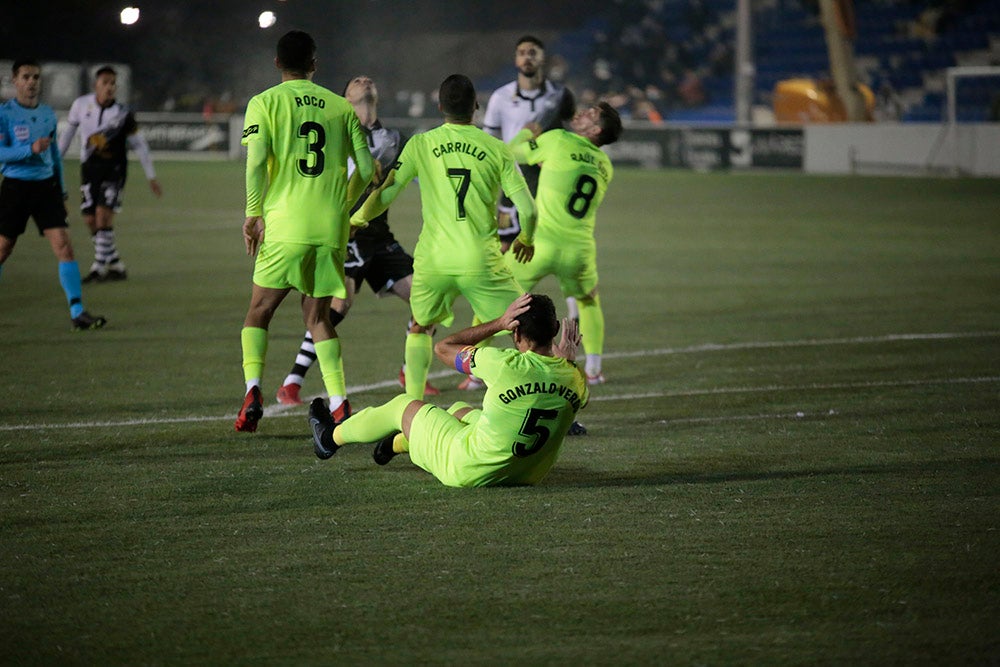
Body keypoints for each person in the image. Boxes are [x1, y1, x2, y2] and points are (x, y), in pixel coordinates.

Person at [349, 74, 536, 402]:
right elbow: (529, 210)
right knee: (523, 323)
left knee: (420, 327)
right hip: (480, 260)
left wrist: (358, 218)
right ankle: (546, 399)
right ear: (476, 106)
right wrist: (526, 238)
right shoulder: (497, 150)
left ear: (439, 107)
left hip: (434, 261)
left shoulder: (421, 144)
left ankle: (413, 410)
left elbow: (386, 190)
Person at [234, 30, 374, 433]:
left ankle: (253, 390)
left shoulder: (263, 103)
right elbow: (367, 171)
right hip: (329, 231)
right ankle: (340, 403)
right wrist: (342, 206)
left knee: (259, 312)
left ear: (277, 63)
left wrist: (253, 213)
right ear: (315, 64)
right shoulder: (339, 107)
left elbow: (256, 162)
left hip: (284, 226)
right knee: (318, 318)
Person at [309, 293, 589, 488]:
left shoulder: (503, 363)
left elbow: (444, 348)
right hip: (526, 475)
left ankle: (329, 438)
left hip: (467, 469)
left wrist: (498, 323)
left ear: (515, 333)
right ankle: (396, 444)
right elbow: (572, 389)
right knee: (460, 411)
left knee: (403, 405)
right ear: (554, 330)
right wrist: (568, 361)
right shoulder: (574, 377)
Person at [275, 75, 438, 406]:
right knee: (338, 305)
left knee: (428, 300)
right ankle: (291, 382)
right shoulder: (336, 131)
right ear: (345, 96)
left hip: (379, 237)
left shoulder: (395, 139)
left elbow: (422, 176)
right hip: (343, 233)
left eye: (368, 80)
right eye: (356, 80)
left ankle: (410, 369)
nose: (365, 80)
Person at [465, 34, 576, 391]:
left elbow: (568, 140)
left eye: (533, 52)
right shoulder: (500, 97)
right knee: (499, 266)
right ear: (515, 60)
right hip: (512, 194)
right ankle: (476, 358)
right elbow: (490, 143)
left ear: (543, 59)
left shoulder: (558, 98)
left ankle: (559, 351)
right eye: (522, 53)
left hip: (549, 196)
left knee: (559, 269)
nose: (527, 57)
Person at [506, 103, 623, 386]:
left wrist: (525, 134)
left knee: (496, 292)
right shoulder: (605, 165)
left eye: (591, 114)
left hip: (539, 244)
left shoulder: (558, 139)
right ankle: (593, 369)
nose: (582, 112)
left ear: (596, 130)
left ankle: (474, 371)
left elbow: (511, 154)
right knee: (588, 301)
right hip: (578, 250)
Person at [0, 59, 106, 331]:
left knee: (64, 246)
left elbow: (55, 157)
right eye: (26, 77)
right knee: (3, 248)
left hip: (46, 188)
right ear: (15, 81)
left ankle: (77, 311)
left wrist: (62, 191)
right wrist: (29, 149)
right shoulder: (5, 114)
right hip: (15, 187)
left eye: (36, 77)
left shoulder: (47, 114)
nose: (32, 82)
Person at [58, 65, 162, 282]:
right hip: (89, 169)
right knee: (89, 219)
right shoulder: (80, 105)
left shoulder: (124, 115)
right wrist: (54, 161)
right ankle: (115, 263)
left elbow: (140, 146)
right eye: (105, 82)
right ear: (96, 85)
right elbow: (67, 136)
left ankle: (98, 268)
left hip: (114, 170)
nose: (110, 87)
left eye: (113, 83)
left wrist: (151, 176)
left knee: (103, 215)